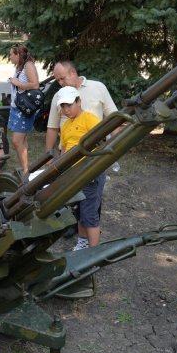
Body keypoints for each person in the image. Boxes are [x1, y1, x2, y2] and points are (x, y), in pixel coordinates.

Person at [56, 86, 106, 251]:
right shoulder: (65, 126)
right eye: (63, 106)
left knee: (89, 213)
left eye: (69, 105)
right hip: (74, 175)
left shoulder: (89, 119)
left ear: (79, 101)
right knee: (78, 211)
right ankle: (83, 243)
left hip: (90, 174)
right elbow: (64, 150)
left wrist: (92, 169)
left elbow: (101, 145)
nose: (66, 109)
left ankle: (93, 254)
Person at [46, 60, 118, 152]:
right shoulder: (58, 96)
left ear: (72, 72)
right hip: (67, 153)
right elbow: (52, 128)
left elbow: (115, 120)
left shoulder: (98, 87)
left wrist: (113, 147)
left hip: (95, 152)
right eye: (58, 80)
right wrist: (49, 155)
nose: (60, 83)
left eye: (62, 78)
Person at [7, 43, 40, 174]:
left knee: (16, 141)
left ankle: (26, 171)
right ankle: (26, 168)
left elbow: (35, 85)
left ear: (18, 55)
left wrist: (17, 82)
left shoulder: (28, 65)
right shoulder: (20, 66)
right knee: (22, 140)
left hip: (24, 110)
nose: (9, 57)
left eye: (11, 54)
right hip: (17, 107)